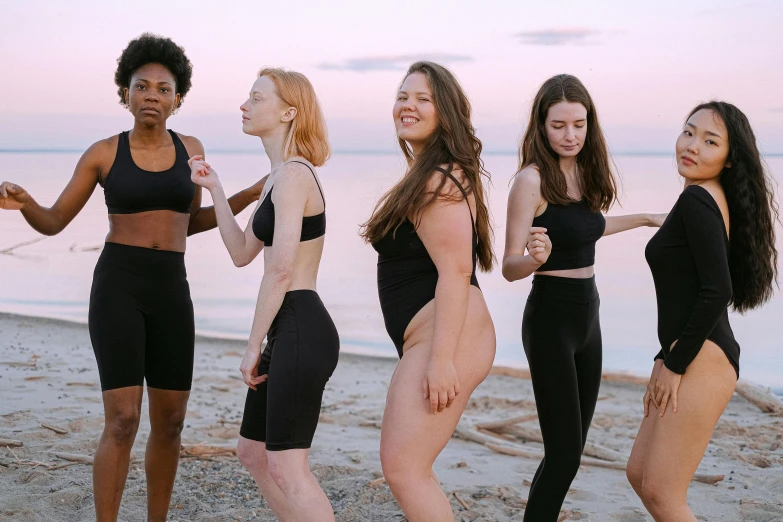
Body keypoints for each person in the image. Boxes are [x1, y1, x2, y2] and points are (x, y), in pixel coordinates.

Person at [0, 33, 264, 522]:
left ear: (177, 99)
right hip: (118, 287)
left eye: (163, 89)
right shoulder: (103, 153)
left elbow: (191, 221)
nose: (152, 96)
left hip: (171, 290)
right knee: (122, 420)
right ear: (126, 94)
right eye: (142, 87)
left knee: (171, 422)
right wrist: (25, 205)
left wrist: (245, 195)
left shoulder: (193, 149)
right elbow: (55, 220)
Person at [502, 74, 666, 521]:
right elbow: (509, 266)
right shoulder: (530, 181)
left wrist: (647, 218)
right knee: (564, 454)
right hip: (551, 318)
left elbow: (589, 228)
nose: (570, 135)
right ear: (541, 126)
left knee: (567, 453)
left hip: (588, 317)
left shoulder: (586, 173)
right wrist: (535, 259)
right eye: (559, 125)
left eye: (579, 124)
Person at [189, 67, 339, 522]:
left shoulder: (295, 176)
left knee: (288, 466)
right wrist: (215, 189)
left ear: (289, 112)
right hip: (287, 327)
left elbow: (280, 271)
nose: (244, 105)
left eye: (256, 98)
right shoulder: (275, 178)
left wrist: (253, 345)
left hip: (300, 326)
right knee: (253, 454)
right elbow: (241, 253)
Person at [626, 101, 778, 521]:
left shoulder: (698, 199)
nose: (692, 146)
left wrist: (675, 364)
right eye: (688, 132)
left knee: (662, 492)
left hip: (701, 358)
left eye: (710, 141)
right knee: (639, 474)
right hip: (687, 351)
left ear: (729, 159)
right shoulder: (703, 197)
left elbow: (717, 290)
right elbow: (694, 290)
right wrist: (663, 358)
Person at [360, 61, 496, 522]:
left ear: (446, 113)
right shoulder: (426, 172)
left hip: (448, 336)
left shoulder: (440, 179)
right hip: (433, 334)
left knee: (405, 468)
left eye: (423, 98)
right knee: (407, 467)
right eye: (402, 96)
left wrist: (442, 359)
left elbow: (457, 273)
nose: (408, 105)